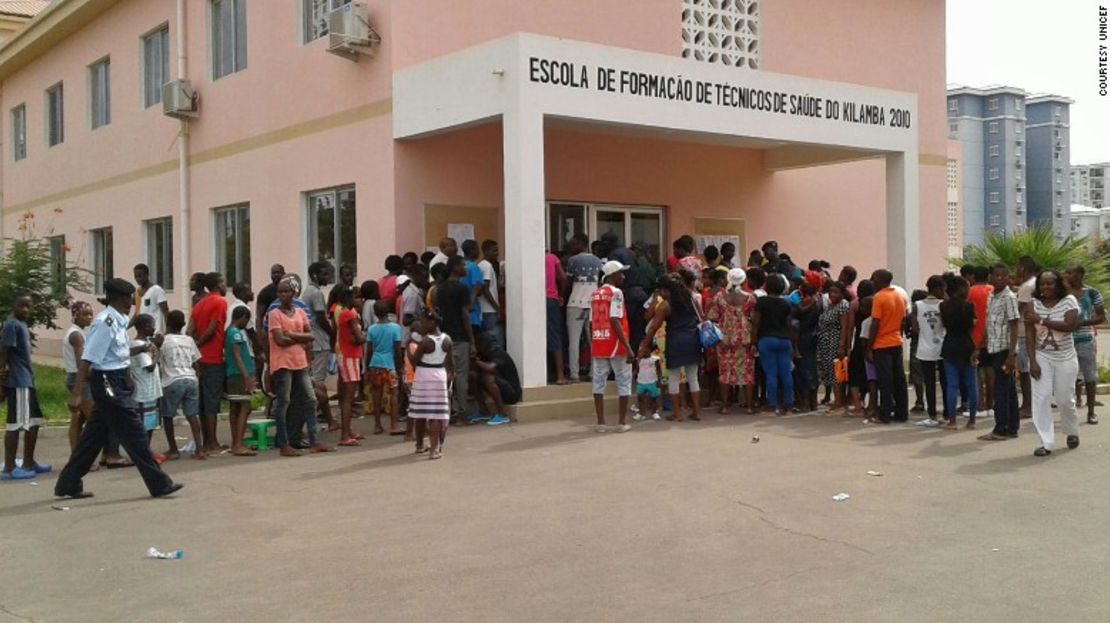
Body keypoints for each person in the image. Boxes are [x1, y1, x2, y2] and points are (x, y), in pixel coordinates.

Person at [55, 278, 182, 499]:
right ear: (118, 299)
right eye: (129, 299)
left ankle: (68, 482)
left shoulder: (120, 320)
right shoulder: (104, 323)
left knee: (92, 438)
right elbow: (88, 359)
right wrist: (76, 393)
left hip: (117, 380)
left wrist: (135, 360)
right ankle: (159, 483)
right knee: (135, 432)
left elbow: (118, 354)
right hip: (106, 383)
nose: (132, 304)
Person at [268, 276, 334, 457]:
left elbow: (310, 336)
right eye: (280, 292)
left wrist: (291, 334)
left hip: (300, 362)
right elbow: (279, 340)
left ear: (294, 293)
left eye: (286, 291)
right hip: (283, 363)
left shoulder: (300, 312)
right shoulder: (275, 314)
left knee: (310, 399)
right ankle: (284, 443)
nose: (283, 295)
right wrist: (299, 337)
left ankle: (315, 441)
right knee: (284, 402)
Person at [1025, 270, 1081, 457]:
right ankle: (1046, 442)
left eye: (1050, 283)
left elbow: (1070, 325)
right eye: (1042, 284)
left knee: (1065, 399)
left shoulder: (1069, 301)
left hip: (1065, 356)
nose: (1045, 287)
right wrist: (1032, 361)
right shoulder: (1033, 305)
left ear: (1058, 285)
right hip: (1042, 355)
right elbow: (1030, 335)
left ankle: (1071, 431)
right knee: (1042, 398)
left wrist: (1041, 320)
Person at [641, 273, 703, 422]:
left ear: (665, 290)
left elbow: (653, 327)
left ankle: (677, 413)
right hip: (692, 339)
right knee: (693, 378)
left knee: (673, 378)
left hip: (675, 341)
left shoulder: (665, 305)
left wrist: (644, 344)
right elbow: (702, 316)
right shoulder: (691, 299)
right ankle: (696, 412)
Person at [1, 294, 49, 480]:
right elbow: (4, 352)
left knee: (34, 421)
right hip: (18, 381)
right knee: (16, 424)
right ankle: (10, 467)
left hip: (28, 380)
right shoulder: (11, 325)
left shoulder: (22, 325)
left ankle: (29, 461)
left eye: (29, 306)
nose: (26, 310)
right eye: (22, 306)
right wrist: (1, 382)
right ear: (14, 305)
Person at [591, 261, 635, 432]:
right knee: (623, 381)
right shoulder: (616, 293)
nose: (623, 276)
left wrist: (593, 341)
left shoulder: (595, 294)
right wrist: (628, 347)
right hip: (616, 344)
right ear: (612, 275)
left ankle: (601, 423)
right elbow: (615, 319)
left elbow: (591, 321)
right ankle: (622, 422)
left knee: (598, 383)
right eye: (620, 273)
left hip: (599, 343)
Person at [978, 263, 1021, 441]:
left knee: (1001, 390)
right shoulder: (991, 296)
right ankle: (1011, 427)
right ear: (990, 277)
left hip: (1005, 350)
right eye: (996, 275)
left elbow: (1014, 324)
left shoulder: (1008, 297)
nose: (1000, 279)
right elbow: (989, 324)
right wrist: (979, 346)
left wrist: (1011, 354)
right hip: (993, 348)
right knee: (1008, 389)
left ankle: (1000, 428)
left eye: (1004, 276)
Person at [190, 271, 228, 454]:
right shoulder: (219, 302)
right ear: (218, 284)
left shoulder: (199, 304)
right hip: (212, 357)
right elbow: (213, 329)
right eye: (223, 283)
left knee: (202, 403)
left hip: (199, 359)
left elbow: (190, 329)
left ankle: (207, 441)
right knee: (212, 402)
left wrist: (194, 348)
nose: (225, 286)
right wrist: (199, 343)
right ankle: (212, 443)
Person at [159, 310, 205, 460]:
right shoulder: (189, 340)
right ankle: (199, 449)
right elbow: (196, 363)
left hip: (172, 380)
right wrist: (197, 377)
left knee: (167, 415)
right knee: (192, 415)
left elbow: (158, 361)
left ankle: (173, 449)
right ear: (183, 324)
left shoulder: (164, 341)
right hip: (191, 379)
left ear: (168, 323)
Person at [408, 311, 453, 459]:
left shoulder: (425, 341)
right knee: (436, 414)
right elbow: (450, 364)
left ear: (432, 323)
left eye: (423, 322)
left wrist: (409, 349)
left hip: (423, 376)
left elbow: (415, 360)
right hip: (440, 375)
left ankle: (420, 445)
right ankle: (435, 449)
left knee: (420, 412)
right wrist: (449, 378)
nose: (421, 325)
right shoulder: (447, 340)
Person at [710, 268, 756, 414]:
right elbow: (754, 318)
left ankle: (724, 406)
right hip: (744, 338)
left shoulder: (719, 297)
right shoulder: (750, 298)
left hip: (725, 338)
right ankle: (748, 406)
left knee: (725, 371)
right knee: (747, 372)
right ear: (743, 281)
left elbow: (713, 316)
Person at [867, 269, 909, 424]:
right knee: (899, 379)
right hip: (896, 341)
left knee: (885, 381)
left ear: (879, 280)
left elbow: (875, 322)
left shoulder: (879, 297)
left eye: (874, 279)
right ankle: (902, 413)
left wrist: (869, 346)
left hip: (882, 343)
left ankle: (884, 415)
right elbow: (903, 320)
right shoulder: (899, 296)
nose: (872, 282)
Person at [436, 256, 475, 420]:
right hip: (460, 336)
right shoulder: (462, 288)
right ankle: (462, 411)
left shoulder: (441, 288)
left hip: (444, 335)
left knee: (446, 373)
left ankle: (447, 409)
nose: (465, 268)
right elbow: (465, 314)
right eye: (463, 265)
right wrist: (472, 340)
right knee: (460, 374)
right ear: (455, 267)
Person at [752, 273, 797, 415]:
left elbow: (756, 323)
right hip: (784, 340)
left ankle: (772, 405)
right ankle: (788, 405)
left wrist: (753, 341)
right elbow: (790, 325)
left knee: (771, 374)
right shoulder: (786, 303)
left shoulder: (762, 302)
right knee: (786, 374)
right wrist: (793, 345)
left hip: (767, 339)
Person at [1065, 265, 1105, 425]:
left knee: (1090, 376)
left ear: (1080, 274)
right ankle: (1070, 411)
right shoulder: (1062, 294)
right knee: (1067, 377)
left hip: (1085, 339)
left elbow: (1101, 316)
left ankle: (1091, 412)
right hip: (1065, 340)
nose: (1067, 275)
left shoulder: (1092, 293)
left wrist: (1083, 322)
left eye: (1070, 272)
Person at [301, 261, 336, 432]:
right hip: (319, 342)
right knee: (318, 382)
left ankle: (315, 418)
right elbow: (321, 318)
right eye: (324, 274)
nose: (327, 278)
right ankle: (324, 420)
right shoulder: (315, 294)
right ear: (315, 275)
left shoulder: (308, 291)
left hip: (313, 342)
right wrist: (332, 334)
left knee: (314, 380)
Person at [940, 276, 978, 430]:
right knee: (971, 384)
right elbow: (972, 324)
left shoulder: (943, 306)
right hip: (967, 345)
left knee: (952, 385)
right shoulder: (969, 306)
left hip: (950, 345)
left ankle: (952, 421)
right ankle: (972, 421)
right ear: (960, 289)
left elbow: (944, 324)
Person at [565, 233, 604, 383]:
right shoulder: (597, 260)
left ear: (581, 244)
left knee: (574, 341)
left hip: (575, 303)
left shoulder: (573, 260)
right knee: (593, 340)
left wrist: (563, 297)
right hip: (593, 304)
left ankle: (574, 374)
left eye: (574, 243)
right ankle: (593, 373)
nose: (572, 246)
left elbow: (568, 283)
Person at [604, 232, 648, 353]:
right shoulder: (629, 252)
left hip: (628, 294)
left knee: (626, 329)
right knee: (638, 331)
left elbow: (615, 275)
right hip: (640, 293)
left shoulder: (613, 254)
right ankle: (636, 362)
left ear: (608, 244)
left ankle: (628, 356)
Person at [333, 286, 365, 446]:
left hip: (349, 355)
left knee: (348, 396)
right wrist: (362, 336)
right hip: (349, 356)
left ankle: (348, 430)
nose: (360, 300)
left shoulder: (348, 313)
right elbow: (360, 338)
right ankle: (345, 435)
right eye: (357, 297)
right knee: (348, 397)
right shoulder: (349, 314)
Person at [912, 276, 947, 426]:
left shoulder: (917, 305)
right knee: (945, 382)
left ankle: (932, 414)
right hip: (942, 347)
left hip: (925, 349)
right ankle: (947, 413)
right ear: (938, 288)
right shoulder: (943, 305)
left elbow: (914, 328)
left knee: (930, 382)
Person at [129, 314, 163, 461]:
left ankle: (146, 451)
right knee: (143, 425)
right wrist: (157, 353)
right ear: (144, 327)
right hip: (143, 391)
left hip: (150, 390)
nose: (154, 328)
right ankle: (142, 453)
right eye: (151, 325)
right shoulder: (138, 345)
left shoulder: (146, 344)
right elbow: (149, 367)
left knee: (149, 424)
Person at [367, 300, 403, 436]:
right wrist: (400, 367)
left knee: (377, 394)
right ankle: (394, 425)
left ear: (375, 313)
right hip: (390, 365)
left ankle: (377, 425)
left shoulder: (371, 329)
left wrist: (367, 366)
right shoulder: (395, 328)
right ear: (388, 312)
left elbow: (369, 350)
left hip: (375, 364)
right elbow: (398, 350)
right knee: (394, 393)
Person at [224, 306, 257, 456]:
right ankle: (238, 443)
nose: (247, 323)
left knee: (235, 408)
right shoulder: (236, 333)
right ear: (242, 317)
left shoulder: (229, 332)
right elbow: (237, 356)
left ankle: (236, 442)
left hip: (232, 373)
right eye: (246, 319)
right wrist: (247, 377)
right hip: (239, 374)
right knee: (245, 406)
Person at [64, 302, 95, 452]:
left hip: (77, 378)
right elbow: (80, 363)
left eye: (90, 314)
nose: (89, 317)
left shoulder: (79, 332)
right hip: (80, 380)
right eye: (85, 314)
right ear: (75, 315)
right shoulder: (76, 335)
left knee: (78, 419)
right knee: (93, 420)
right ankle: (84, 456)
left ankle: (76, 454)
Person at [471, 333, 521, 425]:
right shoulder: (485, 354)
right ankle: (484, 412)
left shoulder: (499, 353)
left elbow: (490, 368)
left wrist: (476, 361)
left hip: (513, 394)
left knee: (488, 378)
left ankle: (502, 415)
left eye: (478, 345)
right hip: (502, 389)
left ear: (484, 344)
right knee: (474, 376)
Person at [817, 282, 850, 411]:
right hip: (825, 343)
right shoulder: (830, 306)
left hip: (834, 342)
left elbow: (844, 327)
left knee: (836, 372)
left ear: (842, 293)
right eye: (831, 292)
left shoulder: (843, 306)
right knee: (830, 372)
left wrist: (842, 345)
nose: (832, 294)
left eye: (836, 292)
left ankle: (839, 401)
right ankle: (836, 399)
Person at [967, 265, 993, 418]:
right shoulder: (993, 290)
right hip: (991, 336)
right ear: (988, 277)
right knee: (990, 370)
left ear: (974, 277)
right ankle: (991, 404)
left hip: (974, 336)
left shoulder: (970, 291)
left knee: (976, 372)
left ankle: (980, 404)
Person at [1015, 255, 1039, 418]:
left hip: (1024, 333)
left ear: (1023, 268)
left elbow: (1017, 311)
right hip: (1038, 331)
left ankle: (1027, 406)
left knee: (1024, 371)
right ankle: (1033, 405)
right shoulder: (1038, 283)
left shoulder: (1025, 287)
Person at [794, 282, 822, 412]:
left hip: (803, 336)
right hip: (813, 335)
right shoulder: (819, 302)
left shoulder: (807, 302)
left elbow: (799, 310)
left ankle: (805, 402)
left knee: (804, 369)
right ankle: (813, 402)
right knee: (811, 368)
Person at [544, 249, 569, 384]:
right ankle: (560, 375)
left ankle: (543, 373)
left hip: (533, 300)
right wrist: (561, 294)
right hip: (551, 299)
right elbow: (563, 277)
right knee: (554, 334)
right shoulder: (552, 258)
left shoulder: (529, 258)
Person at [477, 240, 503, 348]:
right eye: (494, 250)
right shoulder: (487, 266)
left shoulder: (480, 265)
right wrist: (497, 308)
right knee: (497, 342)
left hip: (483, 310)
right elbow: (485, 288)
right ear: (486, 251)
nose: (497, 253)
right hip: (489, 310)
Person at [132, 263, 169, 336]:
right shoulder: (137, 292)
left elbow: (165, 311)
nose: (137, 279)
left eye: (140, 276)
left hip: (156, 333)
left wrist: (168, 330)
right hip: (143, 334)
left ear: (147, 275)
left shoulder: (157, 290)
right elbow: (137, 314)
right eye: (136, 276)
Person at [634, 342, 663, 421]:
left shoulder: (655, 359)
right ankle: (641, 413)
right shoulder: (639, 360)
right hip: (641, 382)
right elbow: (637, 370)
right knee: (640, 398)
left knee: (654, 398)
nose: (641, 351)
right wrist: (635, 377)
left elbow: (658, 370)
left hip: (652, 382)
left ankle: (654, 412)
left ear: (650, 350)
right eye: (640, 349)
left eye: (643, 349)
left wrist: (659, 380)